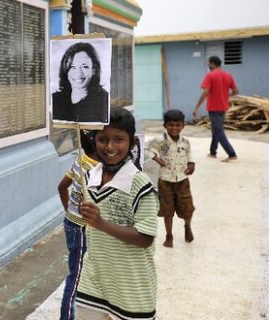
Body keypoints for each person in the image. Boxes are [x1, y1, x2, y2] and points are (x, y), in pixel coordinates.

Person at [76, 107, 159, 320]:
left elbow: (145, 238)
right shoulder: (89, 178)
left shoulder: (141, 185)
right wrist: (84, 212)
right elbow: (89, 222)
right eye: (103, 139)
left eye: (118, 139)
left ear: (132, 143)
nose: (110, 146)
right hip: (94, 278)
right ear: (95, 141)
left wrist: (101, 223)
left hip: (132, 285)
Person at [56, 129, 99, 320]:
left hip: (73, 223)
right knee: (76, 276)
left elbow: (62, 186)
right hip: (81, 228)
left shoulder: (81, 162)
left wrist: (69, 210)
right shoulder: (96, 168)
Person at [146, 109, 195, 248]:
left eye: (178, 125)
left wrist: (191, 164)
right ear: (165, 125)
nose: (174, 128)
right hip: (165, 181)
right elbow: (146, 148)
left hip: (182, 180)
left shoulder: (185, 142)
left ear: (183, 126)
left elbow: (189, 154)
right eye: (171, 125)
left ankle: (187, 226)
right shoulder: (159, 141)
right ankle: (169, 235)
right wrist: (156, 157)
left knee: (188, 208)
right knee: (168, 210)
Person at [192, 55, 238, 162]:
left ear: (213, 64)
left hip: (214, 108)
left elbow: (205, 92)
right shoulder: (228, 75)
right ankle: (213, 152)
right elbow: (235, 92)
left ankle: (231, 154)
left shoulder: (210, 75)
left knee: (218, 131)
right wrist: (225, 96)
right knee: (215, 129)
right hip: (223, 107)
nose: (208, 65)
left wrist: (197, 107)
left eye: (208, 63)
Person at [52, 42, 109, 123]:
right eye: (72, 67)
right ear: (66, 69)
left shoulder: (103, 100)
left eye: (84, 66)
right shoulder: (55, 99)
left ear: (93, 70)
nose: (78, 73)